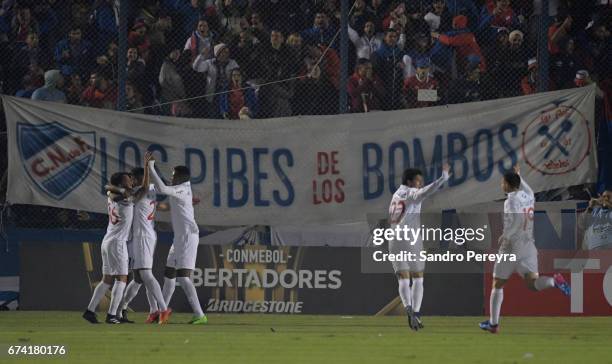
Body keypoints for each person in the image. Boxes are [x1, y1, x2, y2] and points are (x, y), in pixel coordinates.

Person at [479, 165, 571, 334]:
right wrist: (520, 176)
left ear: (507, 185)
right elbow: (528, 190)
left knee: (497, 284)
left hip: (512, 246)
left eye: (502, 182)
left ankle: (493, 324)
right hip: (529, 246)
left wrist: (507, 235)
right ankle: (554, 282)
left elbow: (518, 220)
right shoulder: (528, 196)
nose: (501, 185)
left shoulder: (511, 200)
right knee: (533, 284)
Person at [388, 163, 451, 331]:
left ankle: (407, 307)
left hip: (394, 239)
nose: (420, 184)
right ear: (409, 182)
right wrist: (442, 179)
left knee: (402, 278)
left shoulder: (395, 195)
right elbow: (425, 192)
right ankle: (415, 312)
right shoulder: (411, 193)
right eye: (418, 181)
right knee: (418, 277)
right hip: (410, 239)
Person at [109, 161, 171, 324]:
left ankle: (163, 309)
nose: (131, 181)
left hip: (142, 236)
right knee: (137, 277)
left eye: (133, 178)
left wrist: (146, 167)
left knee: (145, 273)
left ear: (138, 179)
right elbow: (160, 205)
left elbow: (113, 190)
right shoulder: (150, 190)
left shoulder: (139, 190)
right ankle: (122, 309)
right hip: (141, 235)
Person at [147, 155, 207, 325]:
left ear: (181, 177)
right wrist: (151, 205)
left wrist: (151, 167)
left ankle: (200, 314)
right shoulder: (180, 190)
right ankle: (163, 311)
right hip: (179, 238)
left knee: (183, 277)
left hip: (188, 236)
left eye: (173, 175)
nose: (172, 177)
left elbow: (163, 189)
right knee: (169, 274)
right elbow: (167, 205)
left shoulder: (181, 189)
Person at [82, 172, 136, 324]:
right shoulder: (124, 197)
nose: (131, 180)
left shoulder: (115, 193)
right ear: (120, 183)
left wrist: (117, 189)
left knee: (106, 279)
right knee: (122, 278)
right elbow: (119, 192)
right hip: (117, 243)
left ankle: (90, 311)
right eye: (127, 179)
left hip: (108, 240)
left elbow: (109, 189)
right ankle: (112, 315)